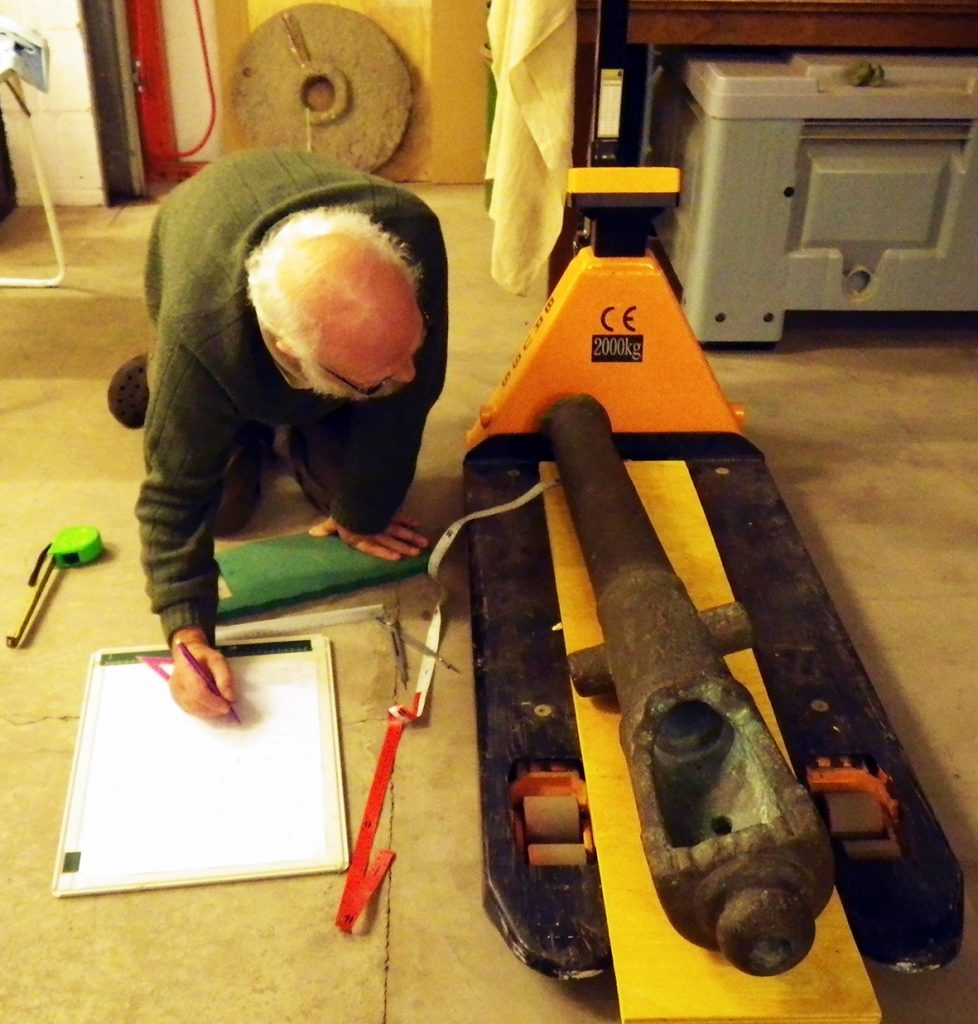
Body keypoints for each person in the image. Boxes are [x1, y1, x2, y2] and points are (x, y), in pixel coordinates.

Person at [125, 149, 448, 719]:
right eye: (382, 374)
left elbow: (409, 398)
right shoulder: (200, 338)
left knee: (352, 497)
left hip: (310, 352)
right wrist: (188, 637)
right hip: (201, 257)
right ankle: (191, 398)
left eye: (412, 347)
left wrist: (361, 512)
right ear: (290, 353)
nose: (409, 375)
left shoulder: (410, 232)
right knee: (225, 509)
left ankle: (312, 404)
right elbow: (175, 497)